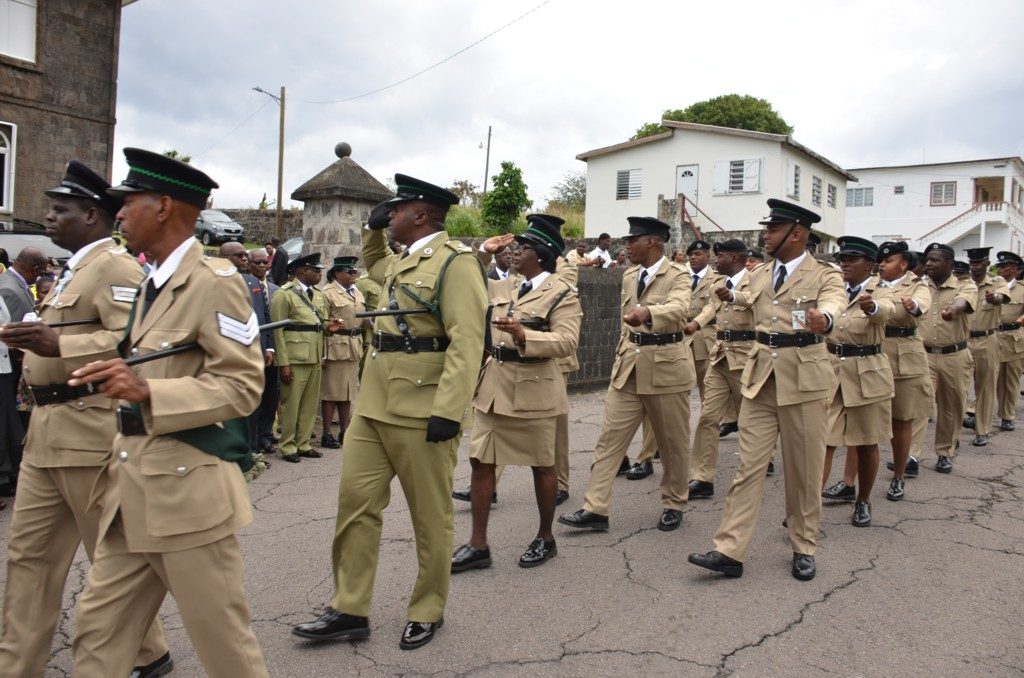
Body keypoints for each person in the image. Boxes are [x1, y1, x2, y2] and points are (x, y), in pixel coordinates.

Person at [63, 148, 268, 676]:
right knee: (96, 636)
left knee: (225, 649)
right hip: (130, 490)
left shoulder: (215, 283)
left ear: (163, 206)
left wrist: (149, 393)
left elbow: (242, 387)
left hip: (186, 497)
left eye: (129, 201)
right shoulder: (150, 282)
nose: (119, 213)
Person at [292, 174, 486, 650]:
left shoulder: (456, 262)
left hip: (423, 407)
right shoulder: (403, 260)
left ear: (420, 214)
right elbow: (376, 265)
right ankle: (349, 607)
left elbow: (467, 340)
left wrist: (450, 409)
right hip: (375, 402)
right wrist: (372, 229)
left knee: (429, 517)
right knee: (355, 507)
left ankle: (427, 608)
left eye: (395, 209)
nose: (389, 213)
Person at [0, 161, 173, 677]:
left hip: (89, 432)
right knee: (29, 558)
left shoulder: (116, 268)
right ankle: (17, 665)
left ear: (93, 215)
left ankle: (146, 652)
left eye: (61, 210)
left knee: (110, 558)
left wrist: (59, 345)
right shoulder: (71, 272)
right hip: (46, 433)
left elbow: (140, 342)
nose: (48, 217)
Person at [688, 198, 845, 582]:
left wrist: (824, 318)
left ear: (798, 233)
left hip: (804, 381)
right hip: (760, 379)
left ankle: (803, 545)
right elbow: (747, 299)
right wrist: (732, 297)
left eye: (773, 229)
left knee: (803, 471)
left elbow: (835, 303)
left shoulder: (824, 274)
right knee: (748, 467)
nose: (766, 235)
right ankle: (730, 549)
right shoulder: (760, 273)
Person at [452, 215, 582, 572]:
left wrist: (525, 335)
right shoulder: (507, 286)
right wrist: (482, 252)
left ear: (540, 254)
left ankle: (545, 537)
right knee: (481, 461)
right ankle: (478, 544)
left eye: (521, 248)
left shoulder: (562, 292)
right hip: (495, 387)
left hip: (534, 389)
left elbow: (567, 342)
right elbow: (470, 284)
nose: (513, 252)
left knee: (542, 465)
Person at [559, 216, 695, 533]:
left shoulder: (678, 275)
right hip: (629, 367)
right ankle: (595, 508)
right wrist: (622, 351)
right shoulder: (630, 275)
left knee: (672, 444)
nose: (626, 246)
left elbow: (680, 308)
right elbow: (624, 321)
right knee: (609, 440)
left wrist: (648, 312)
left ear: (651, 241)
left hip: (666, 368)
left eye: (632, 240)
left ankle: (674, 502)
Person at [817, 237, 895, 528]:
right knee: (823, 441)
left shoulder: (882, 289)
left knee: (866, 442)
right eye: (842, 259)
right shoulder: (834, 289)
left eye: (852, 259)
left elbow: (888, 310)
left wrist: (872, 307)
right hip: (832, 371)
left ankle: (863, 500)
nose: (845, 264)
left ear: (870, 264)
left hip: (867, 374)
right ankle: (809, 506)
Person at [684, 239, 755, 499]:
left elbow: (754, 300)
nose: (716, 260)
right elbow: (710, 308)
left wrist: (734, 296)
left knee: (750, 418)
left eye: (720, 256)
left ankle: (757, 466)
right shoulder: (718, 283)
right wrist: (695, 324)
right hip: (720, 355)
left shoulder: (756, 280)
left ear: (735, 258)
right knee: (708, 417)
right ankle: (702, 478)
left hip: (746, 357)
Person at [867, 242, 933, 503]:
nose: (882, 265)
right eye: (881, 261)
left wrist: (912, 304)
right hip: (873, 352)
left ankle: (899, 476)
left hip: (904, 357)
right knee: (865, 421)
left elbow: (921, 306)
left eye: (889, 261)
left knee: (902, 420)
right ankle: (850, 481)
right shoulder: (872, 284)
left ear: (903, 264)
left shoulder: (917, 285)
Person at [270, 253, 340, 462]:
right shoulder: (284, 294)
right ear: (302, 270)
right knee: (291, 405)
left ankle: (303, 443)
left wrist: (329, 328)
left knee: (309, 405)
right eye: (316, 270)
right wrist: (283, 363)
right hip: (294, 358)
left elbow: (319, 324)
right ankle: (288, 446)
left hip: (314, 356)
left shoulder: (317, 294)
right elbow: (278, 332)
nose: (320, 274)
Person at [919, 242, 976, 474]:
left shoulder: (966, 285)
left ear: (950, 264)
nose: (929, 263)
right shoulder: (920, 287)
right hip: (923, 354)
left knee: (950, 407)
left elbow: (963, 301)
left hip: (954, 355)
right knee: (918, 405)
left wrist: (953, 310)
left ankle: (945, 452)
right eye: (927, 259)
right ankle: (911, 454)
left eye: (935, 260)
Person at [220, 242, 276, 461]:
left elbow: (265, 316)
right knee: (233, 404)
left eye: (245, 255)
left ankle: (252, 449)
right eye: (238, 255)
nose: (244, 259)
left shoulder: (252, 282)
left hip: (256, 351)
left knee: (254, 402)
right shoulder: (214, 281)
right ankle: (233, 449)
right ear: (223, 257)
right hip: (230, 353)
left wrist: (269, 346)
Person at [961, 247, 1008, 446]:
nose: (975, 266)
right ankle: (952, 432)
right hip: (963, 340)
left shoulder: (997, 282)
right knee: (958, 388)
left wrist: (994, 298)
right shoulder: (962, 283)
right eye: (972, 262)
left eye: (979, 262)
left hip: (987, 339)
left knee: (985, 387)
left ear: (987, 264)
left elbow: (1002, 297)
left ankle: (982, 430)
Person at [320, 256, 367, 448]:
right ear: (337, 273)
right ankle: (326, 433)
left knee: (348, 392)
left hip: (354, 344)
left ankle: (345, 431)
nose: (353, 274)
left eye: (355, 271)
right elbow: (323, 322)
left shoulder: (357, 291)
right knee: (331, 391)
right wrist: (322, 353)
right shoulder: (327, 293)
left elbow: (361, 318)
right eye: (349, 272)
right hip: (335, 345)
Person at [247, 247, 281, 454]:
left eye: (264, 262)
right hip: (251, 350)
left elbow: (272, 320)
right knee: (255, 396)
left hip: (270, 349)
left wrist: (271, 347)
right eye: (257, 262)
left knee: (270, 395)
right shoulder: (244, 285)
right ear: (249, 264)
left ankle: (265, 435)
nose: (262, 266)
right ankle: (253, 439)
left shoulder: (275, 289)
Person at [994, 251, 1024, 431]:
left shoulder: (1022, 289)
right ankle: (976, 412)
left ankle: (1007, 416)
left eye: (1004, 266)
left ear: (1014, 268)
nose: (1000, 269)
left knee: (1011, 381)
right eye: (999, 266)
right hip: (994, 337)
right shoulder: (992, 286)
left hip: (1014, 339)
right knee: (994, 380)